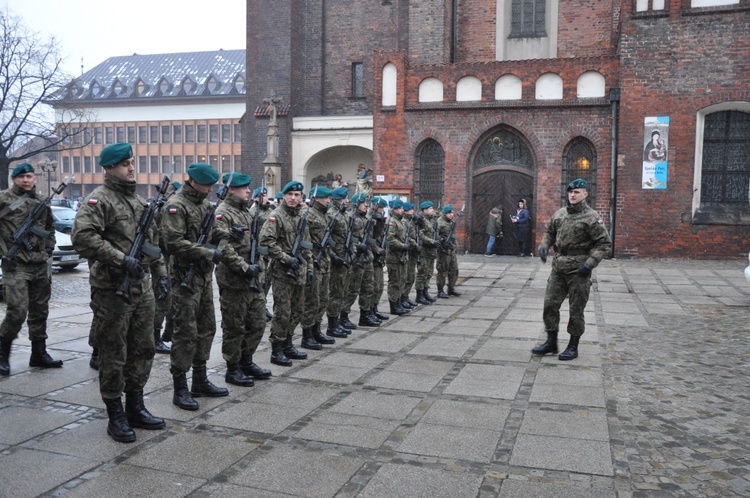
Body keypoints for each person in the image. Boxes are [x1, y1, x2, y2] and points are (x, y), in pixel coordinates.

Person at [72, 143, 168, 442]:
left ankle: (135, 406)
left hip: (142, 287)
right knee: (114, 353)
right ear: (109, 168)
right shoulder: (98, 200)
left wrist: (162, 274)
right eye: (125, 163)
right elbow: (82, 238)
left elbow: (153, 245)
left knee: (144, 348)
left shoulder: (140, 203)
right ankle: (115, 414)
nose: (131, 167)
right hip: (112, 289)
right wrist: (120, 259)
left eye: (131, 162)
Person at [162, 162, 227, 411]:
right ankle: (180, 388)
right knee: (185, 333)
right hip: (183, 279)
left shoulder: (204, 205)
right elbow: (173, 242)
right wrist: (207, 252)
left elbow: (211, 231)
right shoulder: (176, 205)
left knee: (206, 328)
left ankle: (200, 379)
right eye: (206, 184)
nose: (210, 189)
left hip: (201, 278)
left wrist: (226, 233)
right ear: (193, 181)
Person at [533, 178, 612, 361]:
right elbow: (549, 232)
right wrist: (544, 245)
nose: (573, 195)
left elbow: (604, 244)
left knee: (576, 309)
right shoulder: (560, 214)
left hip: (579, 270)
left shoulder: (592, 217)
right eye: (570, 192)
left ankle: (573, 345)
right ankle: (551, 342)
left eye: (577, 192)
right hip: (558, 267)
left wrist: (590, 263)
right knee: (550, 305)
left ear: (585, 194)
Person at [0, 163, 62, 376]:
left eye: (29, 176)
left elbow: (50, 228)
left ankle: (39, 353)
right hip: (15, 265)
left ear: (35, 179)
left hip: (39, 265)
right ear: (14, 179)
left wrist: (49, 247)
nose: (26, 180)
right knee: (17, 311)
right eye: (21, 177)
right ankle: (2, 353)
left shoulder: (41, 202)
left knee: (40, 311)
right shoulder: (4, 199)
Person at [213, 172, 271, 387]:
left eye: (248, 187)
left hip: (253, 278)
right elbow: (223, 247)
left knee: (257, 323)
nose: (248, 190)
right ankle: (233, 367)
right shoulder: (222, 213)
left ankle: (247, 360)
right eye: (243, 187)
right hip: (234, 279)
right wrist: (245, 268)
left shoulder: (246, 212)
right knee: (234, 326)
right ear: (231, 190)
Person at [258, 180, 314, 367]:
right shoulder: (276, 216)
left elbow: (306, 246)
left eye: (297, 195)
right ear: (283, 195)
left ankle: (288, 343)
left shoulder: (301, 217)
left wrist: (310, 268)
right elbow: (266, 243)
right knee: (283, 312)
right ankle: (277, 349)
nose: (293, 198)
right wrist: (285, 258)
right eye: (290, 194)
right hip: (282, 271)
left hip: (299, 270)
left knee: (297, 310)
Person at [300, 186, 337, 349]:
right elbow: (303, 240)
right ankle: (307, 335)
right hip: (313, 262)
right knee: (312, 301)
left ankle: (316, 329)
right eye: (326, 198)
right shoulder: (307, 215)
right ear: (316, 198)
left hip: (325, 262)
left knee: (323, 299)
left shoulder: (324, 215)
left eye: (329, 198)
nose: (329, 201)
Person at [152, 180, 181, 355]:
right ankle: (155, 338)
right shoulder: (159, 209)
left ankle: (167, 333)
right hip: (161, 260)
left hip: (172, 261)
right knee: (162, 300)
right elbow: (158, 237)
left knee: (173, 300)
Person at [324, 186, 352, 338]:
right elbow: (326, 238)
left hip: (345, 257)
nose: (347, 201)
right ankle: (332, 325)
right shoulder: (331, 214)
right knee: (335, 292)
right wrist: (333, 254)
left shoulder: (344, 214)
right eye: (344, 198)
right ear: (337, 199)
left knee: (343, 290)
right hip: (336, 259)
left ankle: (339, 320)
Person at [249, 186, 274, 322]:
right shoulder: (253, 212)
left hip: (269, 252)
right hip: (259, 252)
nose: (264, 198)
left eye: (265, 196)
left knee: (267, 282)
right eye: (261, 196)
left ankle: (263, 306)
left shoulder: (271, 211)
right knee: (260, 281)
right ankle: (257, 309)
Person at [366, 197, 390, 321]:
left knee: (379, 286)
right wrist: (378, 250)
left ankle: (374, 309)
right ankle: (369, 310)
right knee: (373, 286)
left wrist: (381, 222)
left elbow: (380, 234)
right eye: (381, 208)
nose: (382, 210)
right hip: (371, 255)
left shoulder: (378, 217)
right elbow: (370, 238)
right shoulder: (368, 218)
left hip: (378, 256)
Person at [386, 198, 410, 315]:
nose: (402, 210)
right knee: (394, 282)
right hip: (394, 256)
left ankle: (399, 302)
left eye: (402, 208)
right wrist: (403, 246)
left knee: (402, 280)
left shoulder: (401, 221)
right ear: (394, 210)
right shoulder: (392, 221)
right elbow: (390, 240)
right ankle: (394, 305)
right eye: (400, 208)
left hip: (402, 256)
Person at [415, 201, 439, 304]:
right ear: (424, 210)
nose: (432, 210)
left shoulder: (432, 219)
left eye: (432, 208)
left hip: (431, 250)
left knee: (429, 272)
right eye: (430, 208)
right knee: (422, 273)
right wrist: (431, 241)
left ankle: (425, 291)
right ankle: (419, 295)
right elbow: (420, 235)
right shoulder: (421, 220)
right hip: (424, 250)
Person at [436, 204, 461, 298]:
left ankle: (451, 288)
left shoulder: (451, 222)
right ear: (445, 213)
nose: (451, 214)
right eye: (449, 213)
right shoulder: (439, 222)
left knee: (454, 269)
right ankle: (440, 290)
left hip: (451, 249)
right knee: (442, 270)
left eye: (452, 212)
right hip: (443, 250)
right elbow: (435, 234)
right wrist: (442, 241)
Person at [400, 202, 419, 309]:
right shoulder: (404, 222)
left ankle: (405, 296)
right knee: (406, 277)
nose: (413, 211)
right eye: (411, 210)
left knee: (411, 276)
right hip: (408, 251)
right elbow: (407, 237)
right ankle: (402, 297)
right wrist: (415, 244)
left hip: (412, 252)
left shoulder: (412, 221)